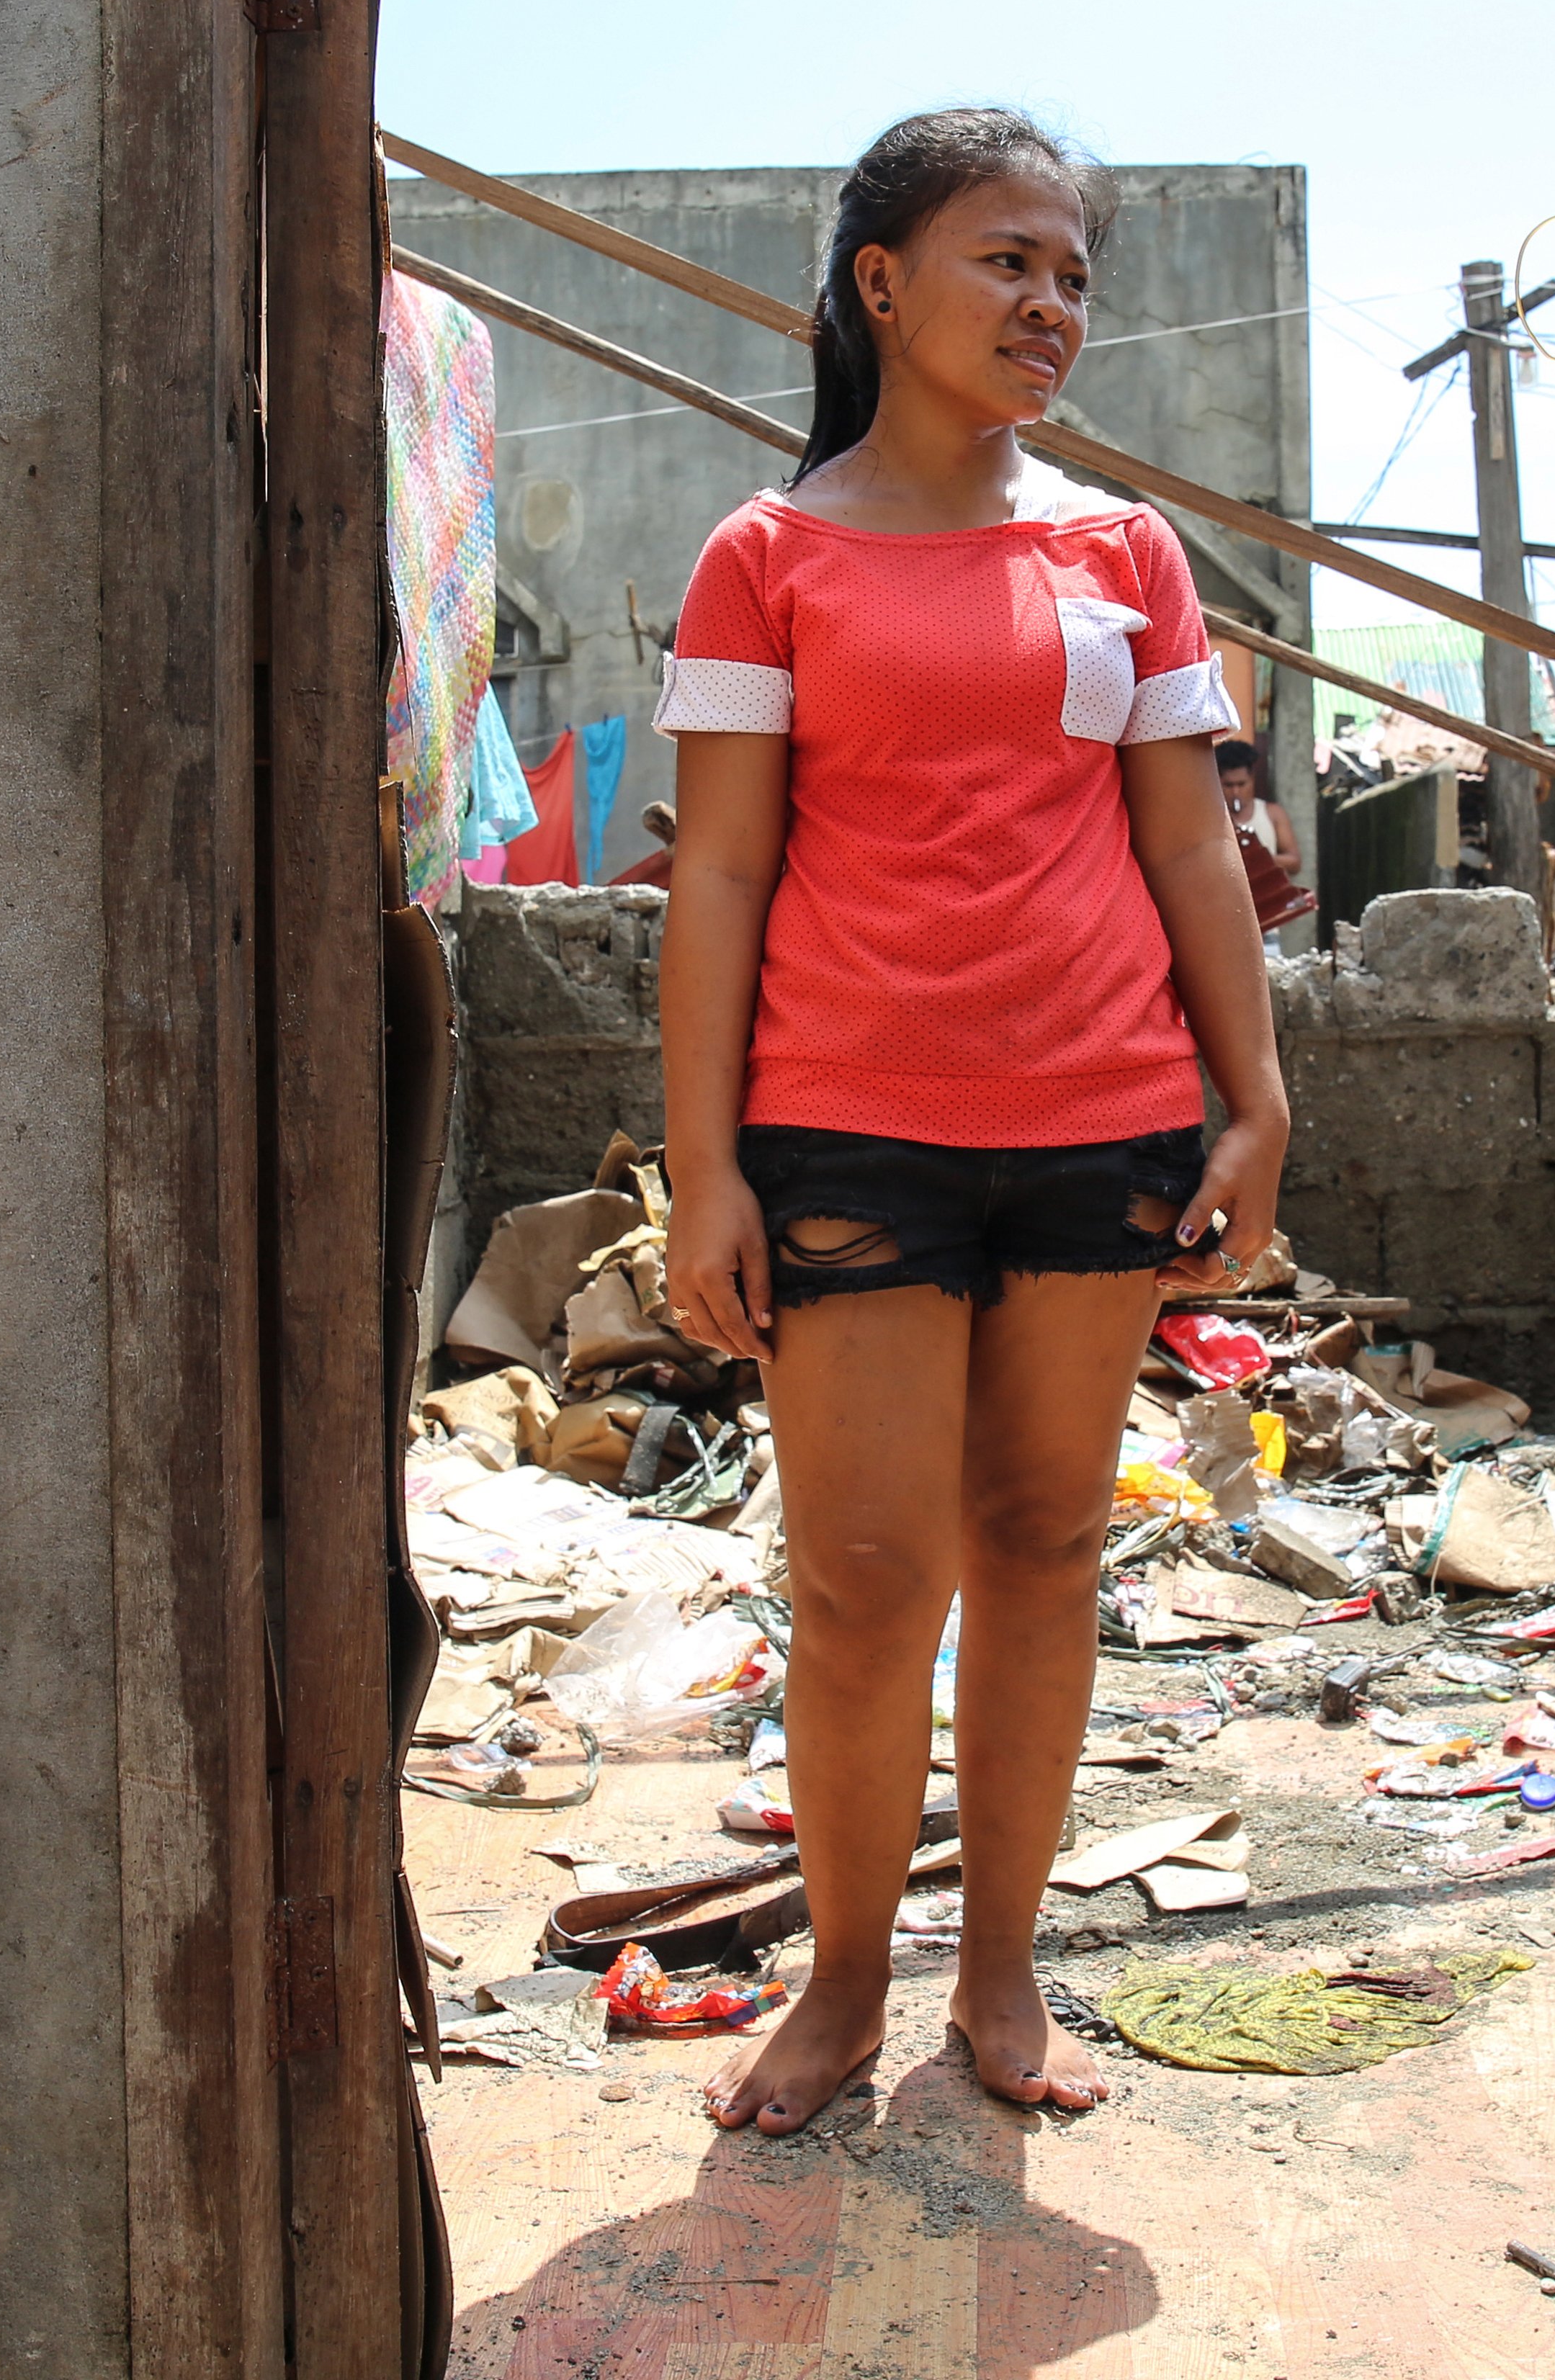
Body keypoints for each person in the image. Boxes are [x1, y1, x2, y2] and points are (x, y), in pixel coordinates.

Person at [656, 109, 1290, 2130]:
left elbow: (1190, 850)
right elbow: (727, 881)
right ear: (882, 286)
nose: (1051, 305)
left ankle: (1000, 1974)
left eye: (1074, 274)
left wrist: (1253, 1100)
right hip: (847, 1128)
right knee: (859, 1572)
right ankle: (845, 1983)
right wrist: (705, 1172)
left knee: (1039, 1544)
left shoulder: (1124, 556)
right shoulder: (768, 557)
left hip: (1099, 1119)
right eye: (1009, 260)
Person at [1213, 740, 1299, 879]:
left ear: (1252, 779)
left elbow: (1294, 862)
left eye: (1242, 784)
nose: (1236, 792)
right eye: (1228, 785)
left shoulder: (1273, 814)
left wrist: (1255, 856)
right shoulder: (1212, 818)